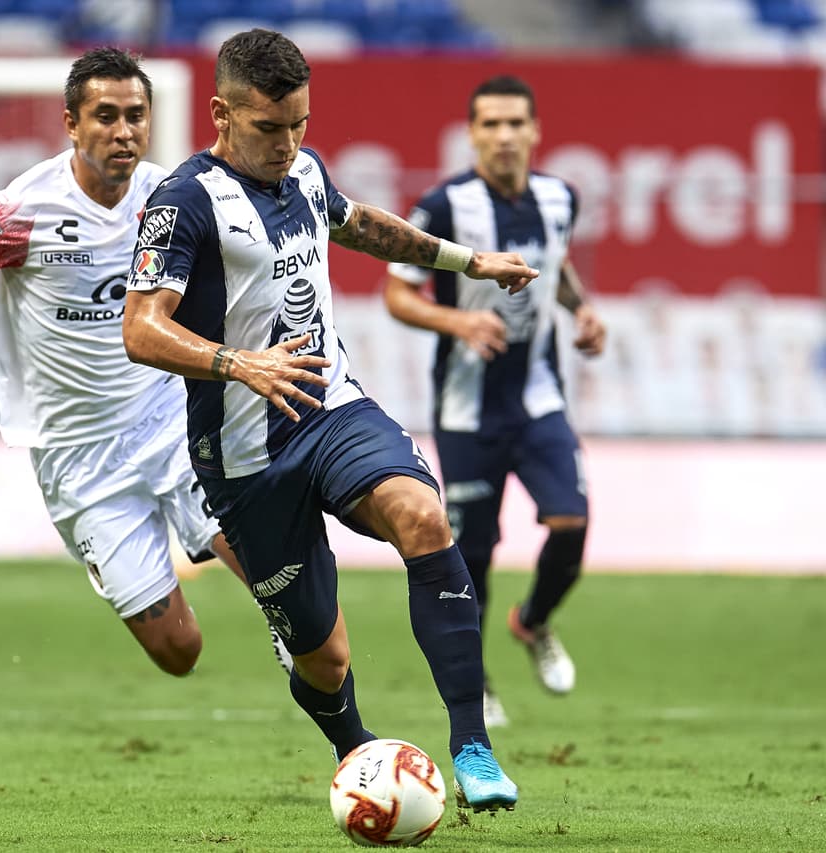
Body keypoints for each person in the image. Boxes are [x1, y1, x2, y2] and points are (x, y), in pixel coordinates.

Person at [121, 29, 537, 812]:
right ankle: (358, 752)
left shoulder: (306, 171)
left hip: (330, 408)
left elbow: (359, 224)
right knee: (325, 657)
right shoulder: (182, 202)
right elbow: (140, 328)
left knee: (422, 515)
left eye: (299, 124)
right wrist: (236, 362)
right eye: (268, 128)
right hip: (244, 454)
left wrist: (468, 262)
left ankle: (474, 747)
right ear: (220, 113)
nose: (287, 144)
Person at [0, 47, 292, 679]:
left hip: (173, 427)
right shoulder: (20, 211)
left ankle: (311, 660)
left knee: (272, 572)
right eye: (105, 116)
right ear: (71, 123)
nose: (123, 132)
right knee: (178, 651)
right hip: (77, 455)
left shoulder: (172, 198)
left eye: (135, 116)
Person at [383, 75, 606, 729]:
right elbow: (396, 294)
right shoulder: (444, 206)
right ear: (472, 133)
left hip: (538, 398)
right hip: (467, 410)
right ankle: (475, 680)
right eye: (491, 124)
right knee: (472, 553)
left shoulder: (560, 197)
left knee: (571, 522)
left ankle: (532, 622)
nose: (504, 136)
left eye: (515, 123)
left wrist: (582, 309)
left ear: (535, 130)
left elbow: (555, 267)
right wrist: (460, 322)